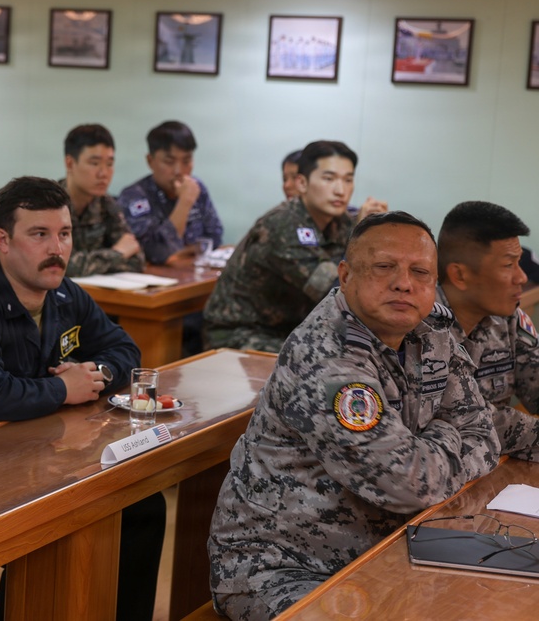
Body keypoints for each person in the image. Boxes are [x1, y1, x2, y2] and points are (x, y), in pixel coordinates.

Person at [208, 211, 500, 621]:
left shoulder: (430, 326)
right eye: (384, 267)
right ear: (344, 275)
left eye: (420, 271)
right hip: (284, 568)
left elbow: (484, 430)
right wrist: (446, 438)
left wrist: (428, 449)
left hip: (389, 544)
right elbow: (410, 484)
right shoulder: (327, 358)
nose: (404, 282)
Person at [0, 176, 164, 621]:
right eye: (40, 235)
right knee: (58, 511)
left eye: (64, 234)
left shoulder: (63, 292)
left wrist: (95, 375)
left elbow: (125, 351)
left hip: (42, 445)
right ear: (3, 240)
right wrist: (62, 390)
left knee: (142, 504)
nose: (57, 248)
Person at [202, 140, 388, 353]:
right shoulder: (284, 224)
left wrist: (371, 232)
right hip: (241, 334)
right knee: (332, 356)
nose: (340, 190)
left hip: (292, 331)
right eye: (329, 179)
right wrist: (361, 235)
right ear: (302, 184)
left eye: (348, 180)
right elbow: (337, 291)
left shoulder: (341, 221)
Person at [435, 201, 539, 459]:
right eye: (508, 265)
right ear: (459, 275)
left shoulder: (508, 318)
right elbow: (470, 424)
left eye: (519, 263)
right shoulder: (419, 328)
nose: (522, 277)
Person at [117, 121, 223, 265]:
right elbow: (157, 252)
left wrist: (181, 253)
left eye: (186, 161)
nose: (179, 171)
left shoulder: (197, 187)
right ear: (150, 161)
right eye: (169, 162)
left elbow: (215, 238)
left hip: (194, 273)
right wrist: (184, 202)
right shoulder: (135, 197)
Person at [58, 123, 145, 276]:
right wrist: (117, 254)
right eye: (94, 163)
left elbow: (136, 259)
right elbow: (61, 265)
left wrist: (91, 264)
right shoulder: (49, 204)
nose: (103, 173)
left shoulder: (106, 203)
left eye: (109, 164)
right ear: (70, 163)